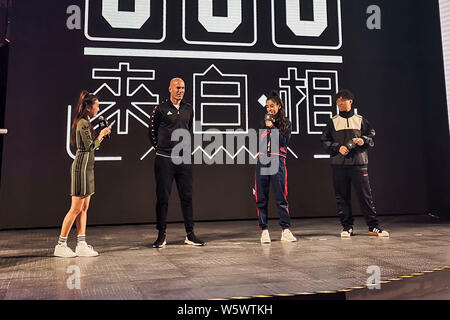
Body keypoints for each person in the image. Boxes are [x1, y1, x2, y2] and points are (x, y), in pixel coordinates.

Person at [320, 89, 389, 238]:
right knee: (342, 197)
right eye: (337, 101)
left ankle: (373, 227)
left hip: (359, 163)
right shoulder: (332, 121)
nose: (339, 103)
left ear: (350, 101)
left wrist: (363, 140)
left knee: (365, 196)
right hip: (339, 165)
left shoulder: (360, 119)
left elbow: (371, 135)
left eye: (342, 101)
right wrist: (338, 147)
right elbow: (324, 141)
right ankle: (347, 227)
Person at [54, 91, 112, 257]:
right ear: (88, 107)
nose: (98, 109)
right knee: (75, 208)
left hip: (88, 168)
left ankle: (81, 243)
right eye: (97, 106)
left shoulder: (86, 122)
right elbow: (89, 147)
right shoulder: (82, 123)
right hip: (81, 168)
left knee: (84, 208)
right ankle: (61, 245)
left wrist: (101, 133)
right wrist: (101, 134)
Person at [149, 78, 205, 248]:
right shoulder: (161, 109)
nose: (180, 90)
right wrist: (162, 149)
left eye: (183, 88)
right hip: (165, 159)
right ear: (170, 89)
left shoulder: (189, 109)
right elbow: (152, 132)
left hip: (184, 159)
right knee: (163, 198)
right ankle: (161, 235)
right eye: (177, 88)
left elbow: (187, 130)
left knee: (187, 197)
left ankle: (190, 234)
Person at [255, 90, 297, 244]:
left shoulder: (286, 123)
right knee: (261, 197)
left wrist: (272, 127)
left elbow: (282, 143)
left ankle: (285, 230)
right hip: (263, 160)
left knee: (281, 196)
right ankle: (264, 230)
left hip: (277, 160)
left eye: (272, 106)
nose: (269, 109)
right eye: (267, 107)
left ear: (279, 106)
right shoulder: (263, 122)